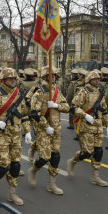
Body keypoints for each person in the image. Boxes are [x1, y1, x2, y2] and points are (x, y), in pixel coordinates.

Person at [0, 68, 32, 205]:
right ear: (3, 80)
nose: (12, 81)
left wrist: (27, 131)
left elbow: (24, 114)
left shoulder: (18, 95)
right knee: (3, 164)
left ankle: (12, 193)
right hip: (1, 134)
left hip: (16, 134)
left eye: (14, 79)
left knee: (15, 165)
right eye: (10, 79)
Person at [28, 66, 69, 194]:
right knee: (45, 157)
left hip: (56, 127)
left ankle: (51, 184)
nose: (53, 77)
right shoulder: (39, 91)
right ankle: (34, 170)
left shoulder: (57, 90)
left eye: (54, 75)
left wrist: (56, 105)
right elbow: (34, 113)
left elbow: (67, 107)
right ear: (44, 76)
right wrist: (46, 127)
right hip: (43, 127)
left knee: (55, 156)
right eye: (50, 75)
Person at [67, 70, 108, 186]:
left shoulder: (100, 93)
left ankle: (95, 176)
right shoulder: (83, 92)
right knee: (87, 152)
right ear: (89, 80)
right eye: (95, 79)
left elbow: (104, 110)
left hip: (98, 127)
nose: (97, 81)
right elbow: (73, 107)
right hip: (86, 126)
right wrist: (85, 115)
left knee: (98, 151)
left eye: (98, 79)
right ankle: (73, 161)